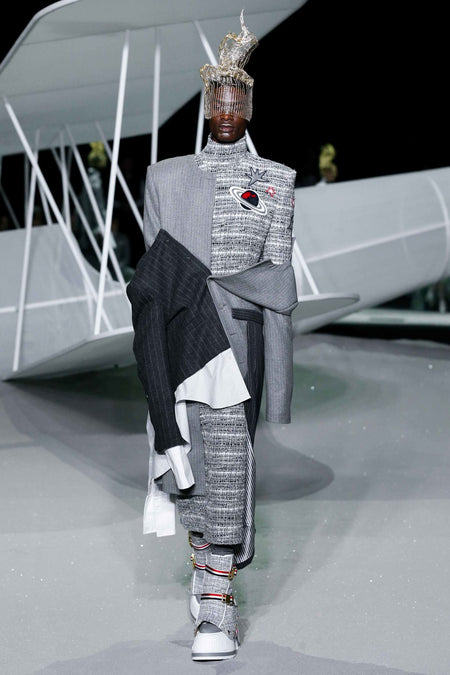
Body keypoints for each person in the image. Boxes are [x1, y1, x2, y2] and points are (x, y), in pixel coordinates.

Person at [127, 11, 298, 661]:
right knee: (191, 458)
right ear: (205, 105)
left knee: (225, 460)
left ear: (250, 108)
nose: (226, 111)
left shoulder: (276, 182)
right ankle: (209, 576)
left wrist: (278, 383)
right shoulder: (167, 176)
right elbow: (155, 274)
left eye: (237, 102)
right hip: (182, 337)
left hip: (241, 345)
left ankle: (215, 590)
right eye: (217, 101)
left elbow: (278, 282)